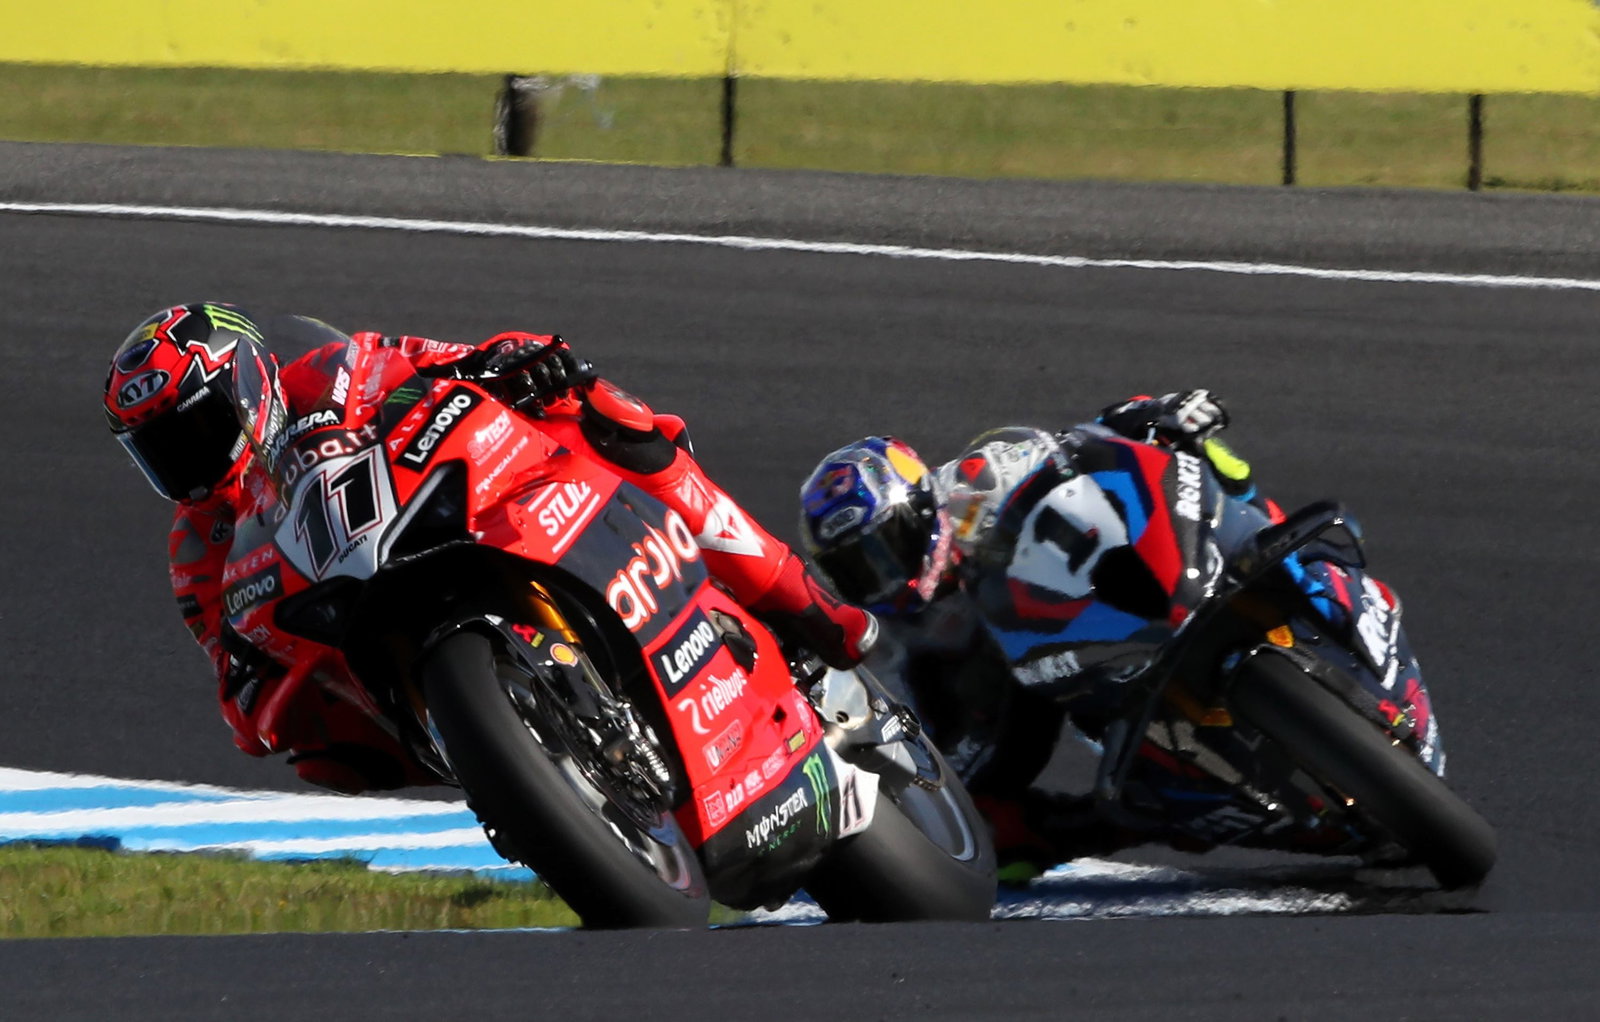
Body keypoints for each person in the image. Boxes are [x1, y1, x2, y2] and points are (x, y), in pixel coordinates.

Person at [104, 302, 876, 794]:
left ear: (245, 383)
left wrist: (512, 358)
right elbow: (230, 680)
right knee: (326, 760)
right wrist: (247, 680)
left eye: (195, 430)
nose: (187, 465)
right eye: (160, 453)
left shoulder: (325, 371)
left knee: (599, 411)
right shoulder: (196, 549)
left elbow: (437, 359)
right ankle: (520, 772)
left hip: (446, 512)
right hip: (360, 622)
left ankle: (802, 604)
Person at [797, 391, 1312, 879]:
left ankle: (1290, 554)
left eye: (888, 546)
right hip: (1050, 673)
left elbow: (1085, 440)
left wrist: (1158, 413)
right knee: (996, 834)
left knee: (1209, 457)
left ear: (920, 504)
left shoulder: (977, 478)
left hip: (1113, 585)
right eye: (862, 569)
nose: (886, 574)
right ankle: (1147, 811)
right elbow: (935, 737)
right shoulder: (897, 635)